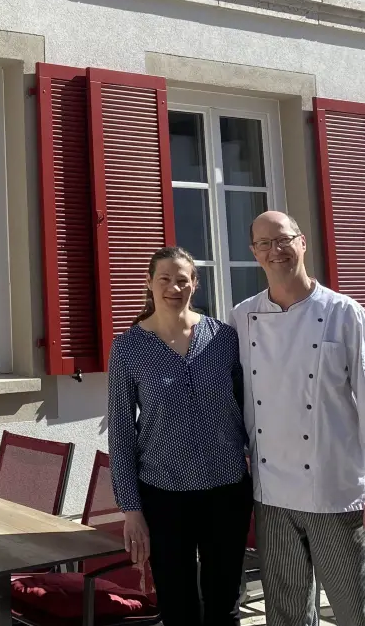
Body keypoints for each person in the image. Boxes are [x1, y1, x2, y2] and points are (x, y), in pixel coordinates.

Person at [231, 211, 365, 626]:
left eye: (283, 240)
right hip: (270, 494)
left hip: (336, 492)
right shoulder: (241, 317)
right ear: (254, 253)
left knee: (355, 612)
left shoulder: (345, 313)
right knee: (287, 614)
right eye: (264, 244)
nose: (275, 251)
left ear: (302, 242)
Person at [108, 246, 252, 626]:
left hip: (227, 490)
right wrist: (131, 510)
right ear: (150, 284)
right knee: (178, 607)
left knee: (224, 604)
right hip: (164, 496)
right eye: (165, 280)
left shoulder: (223, 339)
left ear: (195, 284)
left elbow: (250, 413)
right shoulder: (127, 349)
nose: (174, 288)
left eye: (183, 280)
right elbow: (121, 435)